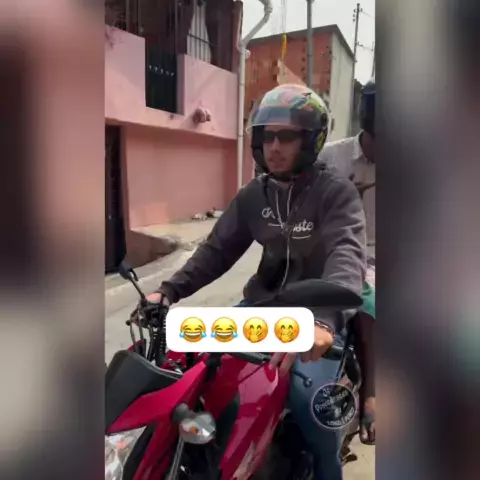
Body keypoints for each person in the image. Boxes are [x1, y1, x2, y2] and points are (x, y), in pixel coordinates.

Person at [145, 84, 367, 479]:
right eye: (267, 136)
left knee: (309, 401)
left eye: (287, 137)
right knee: (193, 370)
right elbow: (216, 251)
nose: (274, 147)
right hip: (262, 309)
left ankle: (326, 471)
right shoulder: (254, 195)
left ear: (312, 140)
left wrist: (324, 319)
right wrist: (168, 291)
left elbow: (346, 255)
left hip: (314, 319)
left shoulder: (336, 192)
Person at [317, 78, 376, 445]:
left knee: (367, 307)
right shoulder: (330, 158)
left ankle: (371, 393)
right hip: (327, 248)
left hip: (377, 255)